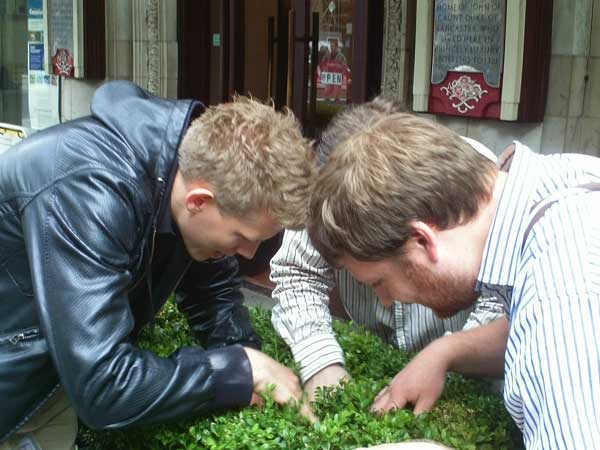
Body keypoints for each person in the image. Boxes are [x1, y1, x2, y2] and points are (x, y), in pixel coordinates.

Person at [0, 81, 316, 450]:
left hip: (54, 381)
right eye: (241, 236)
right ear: (199, 201)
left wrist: (252, 364)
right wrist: (232, 372)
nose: (248, 254)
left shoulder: (179, 173)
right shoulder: (88, 188)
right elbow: (103, 386)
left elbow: (212, 292)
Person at [308, 111, 600, 449]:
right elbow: (530, 329)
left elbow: (558, 325)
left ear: (422, 241)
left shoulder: (562, 293)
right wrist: (444, 351)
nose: (385, 301)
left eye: (379, 283)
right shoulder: (553, 188)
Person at [271, 98, 503, 402]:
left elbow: (501, 298)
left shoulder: (475, 187)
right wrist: (320, 361)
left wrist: (450, 357)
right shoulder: (328, 193)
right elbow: (298, 272)